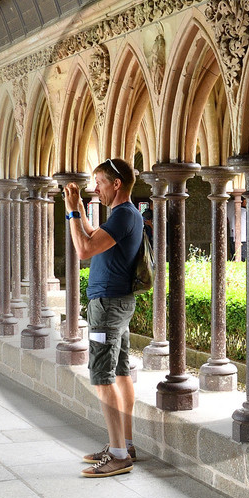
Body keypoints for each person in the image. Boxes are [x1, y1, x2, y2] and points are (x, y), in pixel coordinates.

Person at [63, 158, 144, 478]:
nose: (95, 188)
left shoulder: (124, 214)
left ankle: (119, 456)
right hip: (116, 303)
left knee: (101, 376)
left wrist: (71, 211)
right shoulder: (127, 215)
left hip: (108, 307)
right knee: (121, 373)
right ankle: (123, 444)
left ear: (116, 184)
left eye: (99, 182)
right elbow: (95, 234)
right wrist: (80, 210)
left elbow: (83, 249)